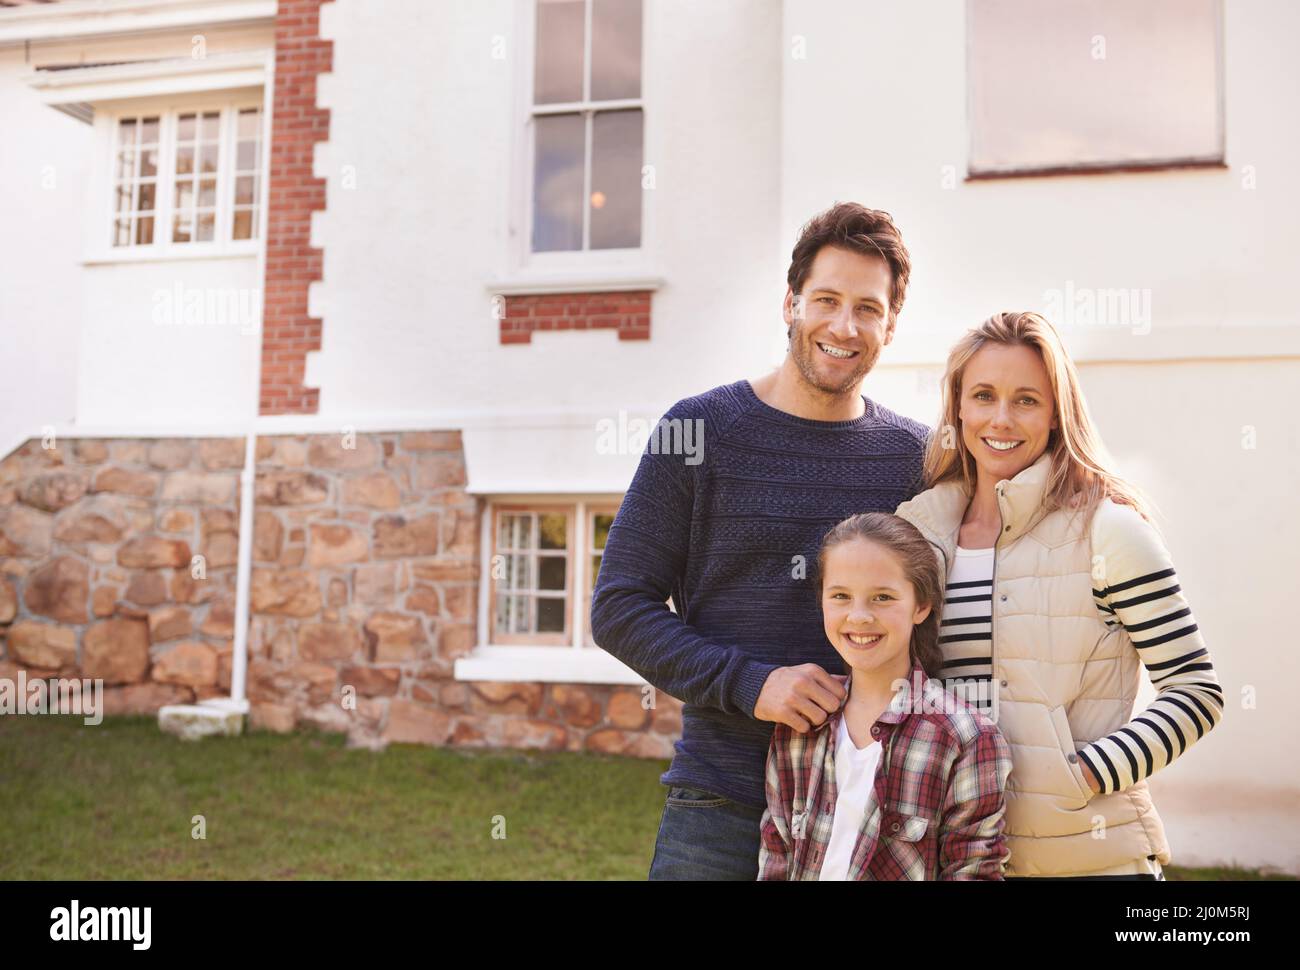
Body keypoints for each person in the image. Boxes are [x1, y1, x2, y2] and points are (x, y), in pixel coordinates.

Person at [589, 202, 930, 880]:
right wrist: (752, 684)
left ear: (891, 325)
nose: (843, 325)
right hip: (723, 802)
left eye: (867, 308)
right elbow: (619, 607)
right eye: (826, 300)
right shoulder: (699, 431)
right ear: (789, 303)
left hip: (870, 808)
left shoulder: (915, 458)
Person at [894, 311, 1225, 879]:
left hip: (1088, 859)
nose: (1001, 418)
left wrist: (1087, 771)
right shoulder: (918, 533)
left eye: (1026, 400)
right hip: (962, 859)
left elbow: (1197, 691)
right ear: (957, 408)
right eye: (983, 395)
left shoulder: (1108, 529)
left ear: (1055, 415)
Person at [758, 512, 1012, 880]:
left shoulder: (966, 738)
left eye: (882, 597)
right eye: (841, 596)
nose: (859, 617)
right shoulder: (799, 725)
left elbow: (973, 871)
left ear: (921, 606)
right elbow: (775, 858)